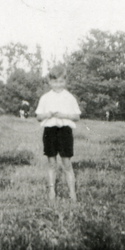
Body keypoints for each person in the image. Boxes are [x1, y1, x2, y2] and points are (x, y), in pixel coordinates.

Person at [35, 65, 81, 202]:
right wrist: (47, 114)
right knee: (51, 163)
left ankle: (72, 193)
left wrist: (64, 115)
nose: (58, 85)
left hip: (65, 131)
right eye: (55, 82)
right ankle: (51, 192)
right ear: (49, 82)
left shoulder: (69, 97)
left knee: (66, 163)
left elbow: (77, 116)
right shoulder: (45, 98)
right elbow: (38, 117)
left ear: (65, 81)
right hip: (50, 131)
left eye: (61, 81)